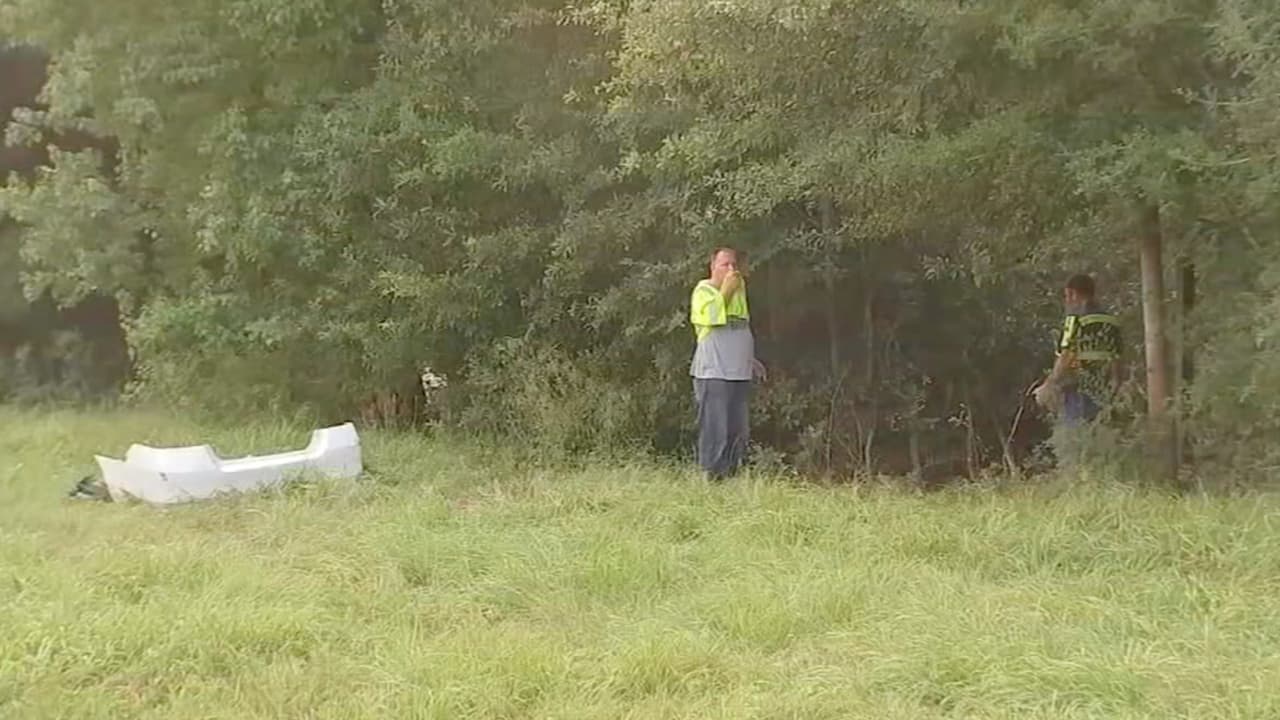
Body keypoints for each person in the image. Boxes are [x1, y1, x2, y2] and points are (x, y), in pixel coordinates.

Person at [689, 247, 767, 480]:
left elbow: (739, 327)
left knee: (738, 429)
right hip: (714, 371)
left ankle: (733, 476)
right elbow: (711, 318)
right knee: (716, 429)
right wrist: (726, 292)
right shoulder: (704, 291)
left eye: (734, 265)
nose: (732, 270)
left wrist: (750, 359)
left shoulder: (739, 292)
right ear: (713, 267)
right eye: (725, 265)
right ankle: (711, 477)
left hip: (739, 371)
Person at [1033, 273, 1123, 425]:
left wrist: (1049, 384)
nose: (1067, 301)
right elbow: (1117, 357)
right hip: (1105, 390)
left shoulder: (1074, 320)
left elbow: (1066, 356)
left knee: (1078, 436)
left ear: (1073, 294)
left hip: (1079, 392)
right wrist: (1115, 383)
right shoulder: (1111, 321)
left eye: (1066, 296)